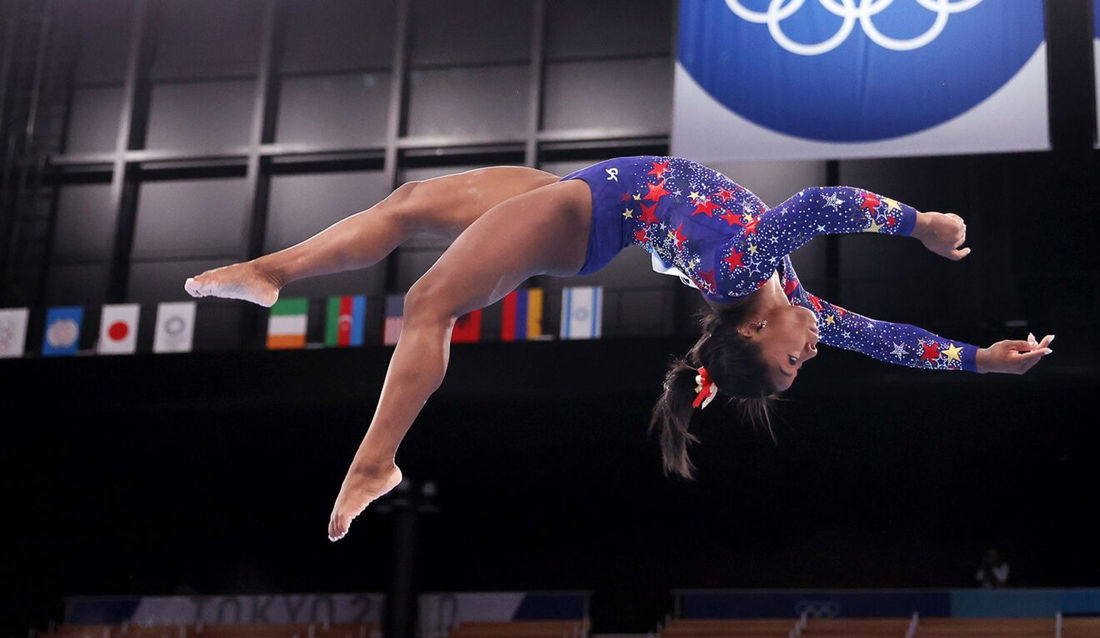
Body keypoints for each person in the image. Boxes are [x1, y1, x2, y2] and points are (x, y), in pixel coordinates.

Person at [183, 156, 1054, 541]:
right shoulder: (789, 296)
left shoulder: (744, 269)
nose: (813, 354)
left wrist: (921, 226)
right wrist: (983, 358)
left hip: (583, 214)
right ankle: (271, 270)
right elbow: (893, 341)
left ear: (753, 332)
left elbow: (820, 205)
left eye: (792, 365)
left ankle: (376, 462)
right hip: (589, 190)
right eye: (803, 364)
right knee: (411, 201)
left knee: (428, 304)